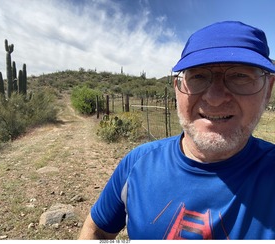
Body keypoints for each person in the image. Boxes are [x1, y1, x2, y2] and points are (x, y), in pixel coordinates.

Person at [78, 21, 275, 240]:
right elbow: (96, 229)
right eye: (198, 76)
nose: (215, 98)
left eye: (239, 76)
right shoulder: (138, 164)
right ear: (177, 88)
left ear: (268, 90)